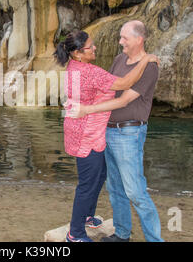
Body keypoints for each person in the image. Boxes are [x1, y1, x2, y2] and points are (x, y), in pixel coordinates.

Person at [53, 30, 159, 242]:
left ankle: (88, 217)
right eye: (89, 47)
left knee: (99, 175)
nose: (94, 49)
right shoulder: (88, 71)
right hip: (86, 135)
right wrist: (146, 60)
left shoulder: (75, 67)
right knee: (88, 184)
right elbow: (122, 84)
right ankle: (75, 234)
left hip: (83, 130)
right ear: (77, 53)